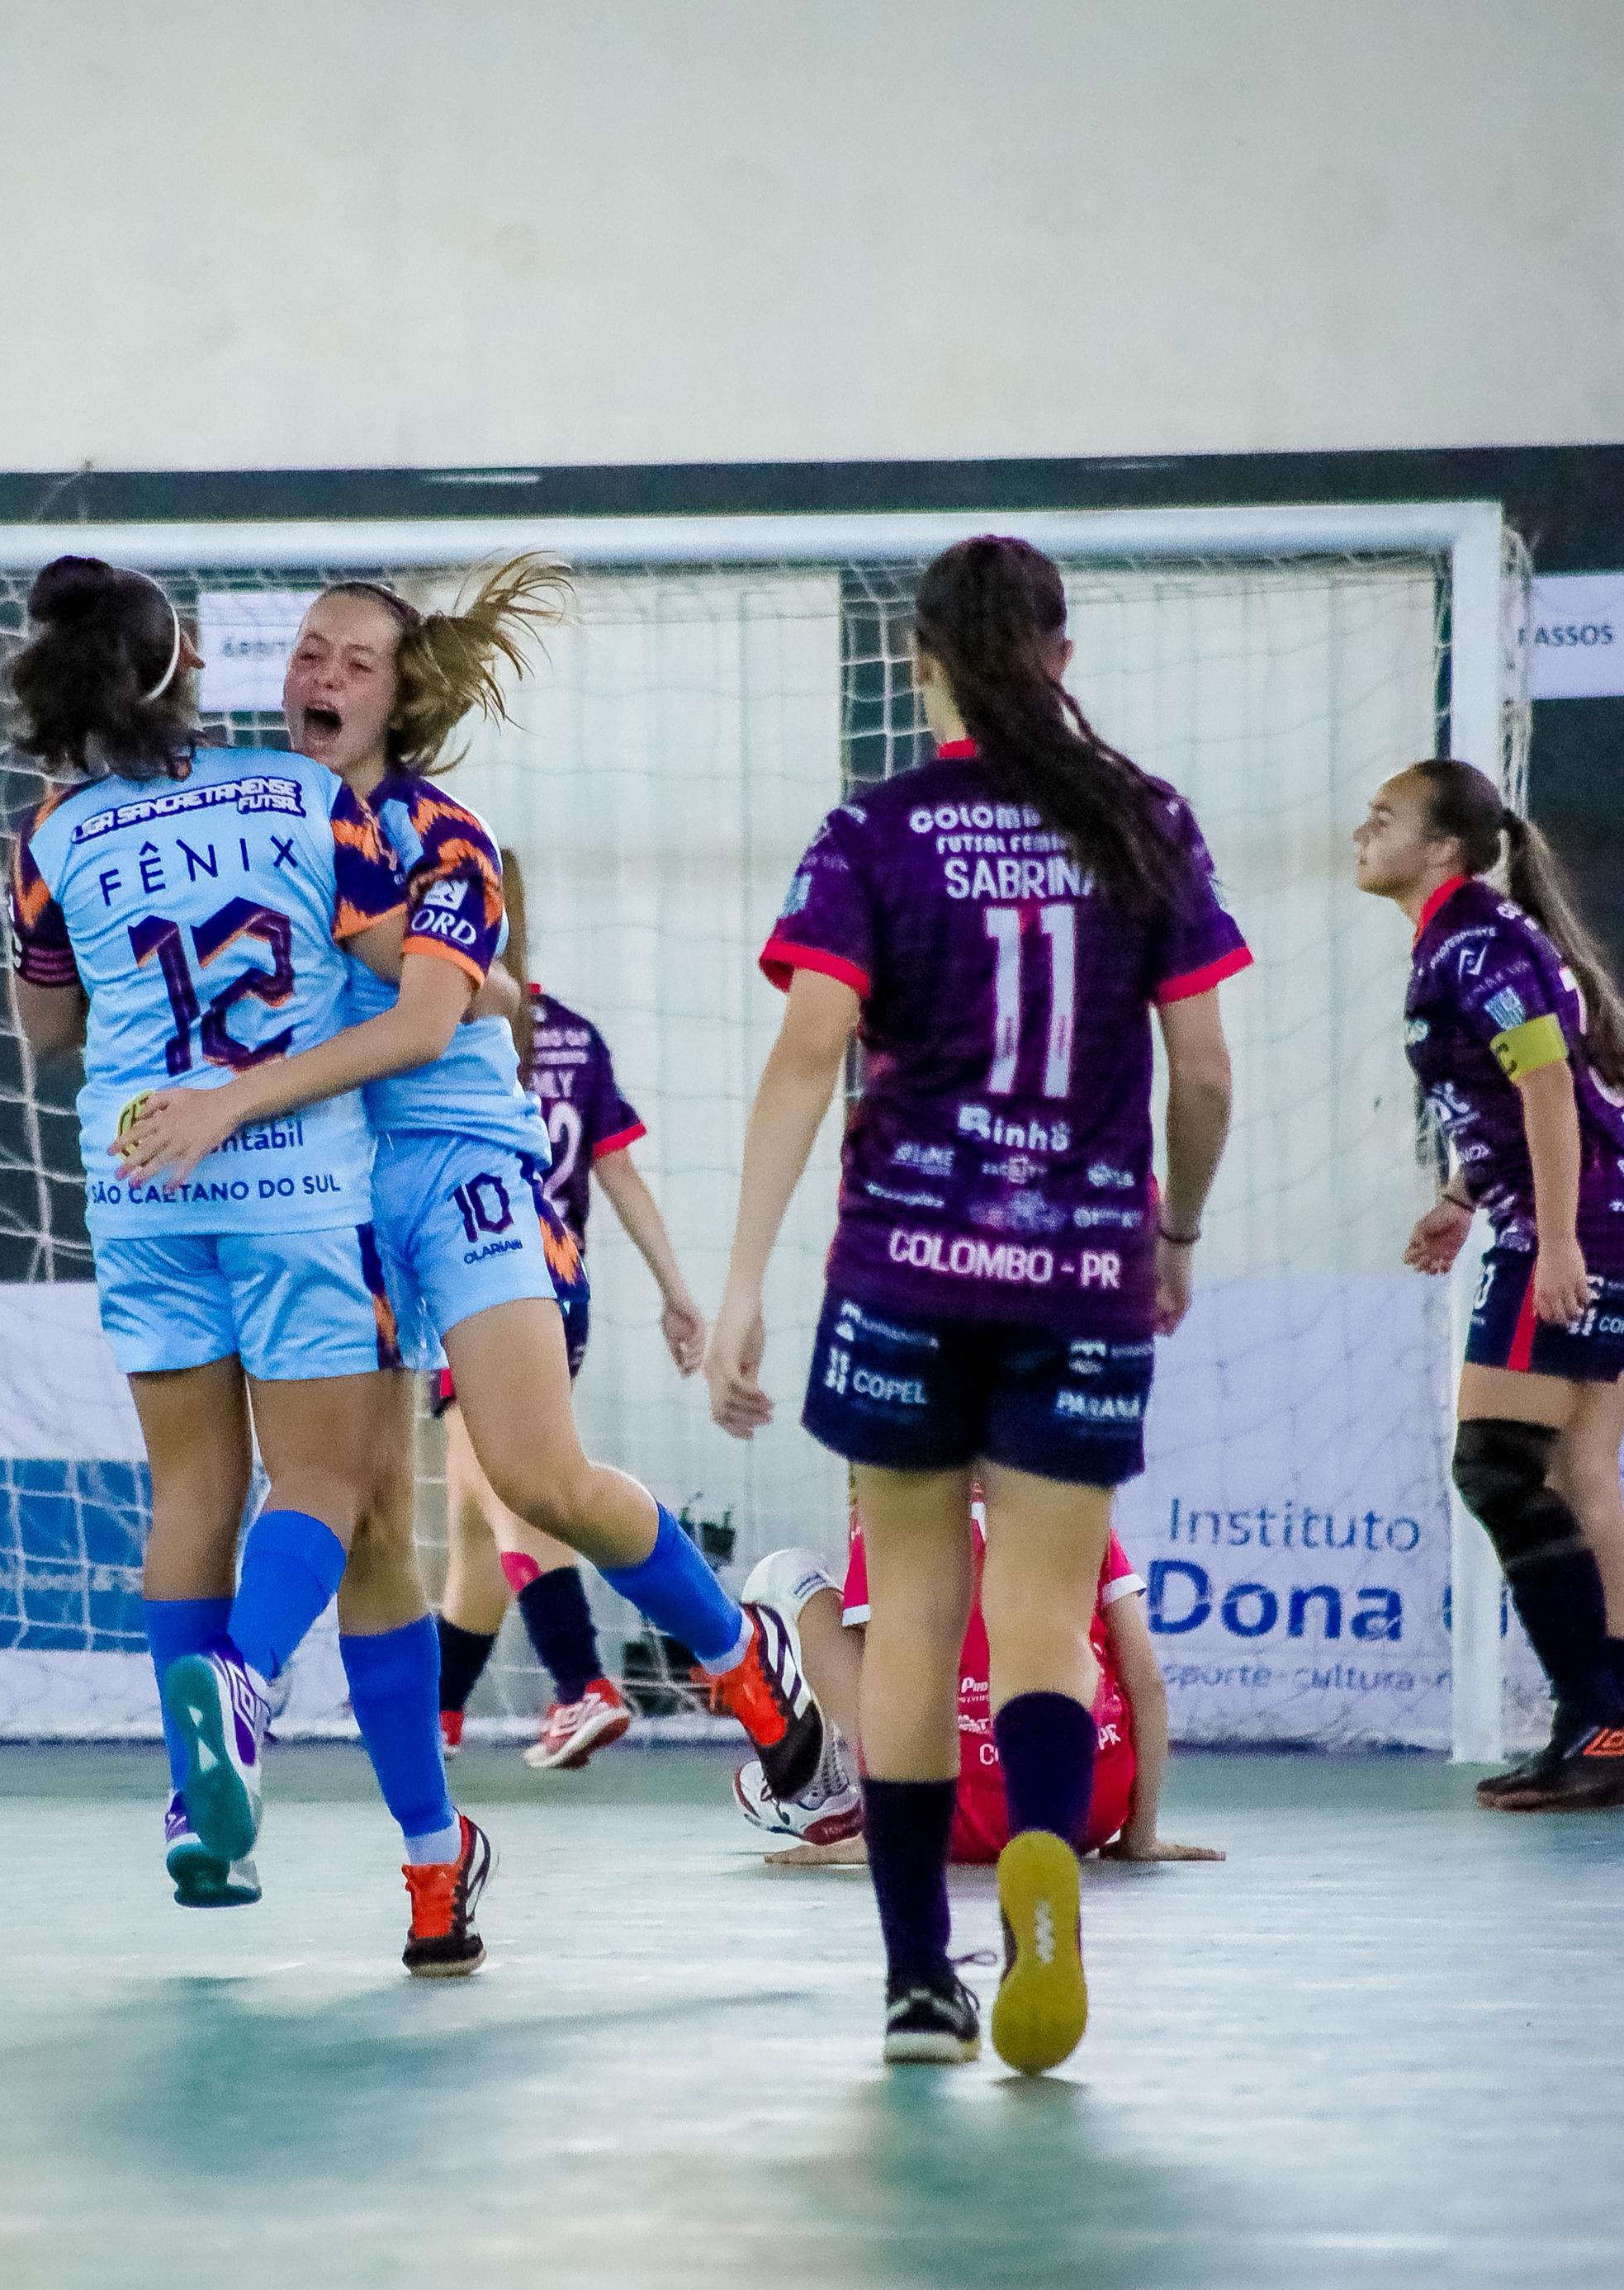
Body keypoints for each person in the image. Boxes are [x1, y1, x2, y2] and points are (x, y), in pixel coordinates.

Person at [116, 565, 829, 1840]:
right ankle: (433, 1864)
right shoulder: (253, 820)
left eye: (354, 662)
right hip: (322, 1186)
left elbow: (429, 1015)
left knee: (534, 1474)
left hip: (459, 1167)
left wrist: (234, 1100)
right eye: (307, 654)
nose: (319, 675)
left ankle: (741, 1657)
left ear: (403, 699)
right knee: (374, 1519)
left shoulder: (443, 834)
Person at [703, 534, 1245, 2073]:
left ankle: (918, 1982)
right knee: (1045, 1620)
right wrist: (1177, 1227)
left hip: (904, 1263)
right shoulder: (1144, 821)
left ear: (917, 661)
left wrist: (740, 1280)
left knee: (916, 1612)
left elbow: (808, 1055)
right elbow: (1204, 1069)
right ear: (1061, 658)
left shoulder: (872, 831)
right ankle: (1046, 1893)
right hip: (1078, 1264)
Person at [0, 556, 499, 1976]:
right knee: (336, 1488)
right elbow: (414, 974)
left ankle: (197, 1804)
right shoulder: (302, 797)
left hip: (141, 1176)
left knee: (191, 1492)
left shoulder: (60, 827)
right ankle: (243, 1686)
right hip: (295, 1175)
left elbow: (45, 1029)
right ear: (186, 669)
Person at [1353, 759, 1624, 1812]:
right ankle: (1601, 1726)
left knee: (1495, 1467)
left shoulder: (1476, 939)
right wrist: (1460, 1194)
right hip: (1613, 1219)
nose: (1361, 831)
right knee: (1577, 1480)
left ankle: (1595, 1719)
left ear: (1443, 847)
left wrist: (1552, 1242)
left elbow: (1545, 1085)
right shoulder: (1465, 936)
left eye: (1384, 818)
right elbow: (1521, 1087)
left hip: (1582, 1223)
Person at [431, 849, 713, 1769]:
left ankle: (578, 1682)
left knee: (514, 1495)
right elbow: (618, 1175)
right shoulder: (575, 1037)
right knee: (474, 1530)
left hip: (478, 1277)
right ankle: (433, 1718)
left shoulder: (435, 1030)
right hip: (559, 1290)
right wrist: (676, 1291)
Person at [736, 1506, 1222, 1868]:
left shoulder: (897, 1506)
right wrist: (1140, 1837)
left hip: (953, 1822)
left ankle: (847, 1797)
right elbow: (1148, 1681)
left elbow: (893, 1680)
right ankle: (839, 1787)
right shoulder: (1074, 1505)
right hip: (1084, 1813)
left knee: (784, 1574)